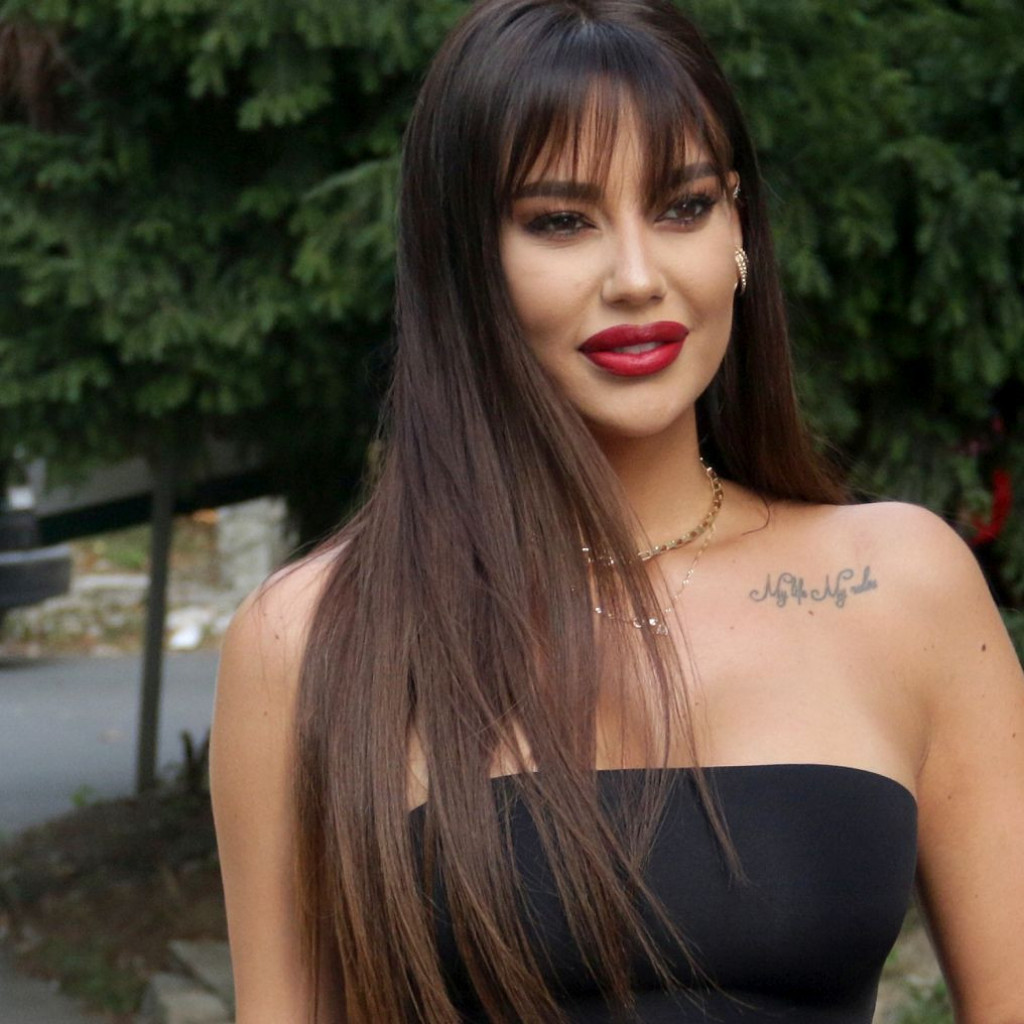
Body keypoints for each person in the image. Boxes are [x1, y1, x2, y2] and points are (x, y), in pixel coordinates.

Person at [209, 1, 1024, 1021]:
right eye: (561, 221)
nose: (637, 278)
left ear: (739, 231)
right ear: (465, 262)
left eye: (683, 205)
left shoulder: (901, 587)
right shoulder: (311, 637)